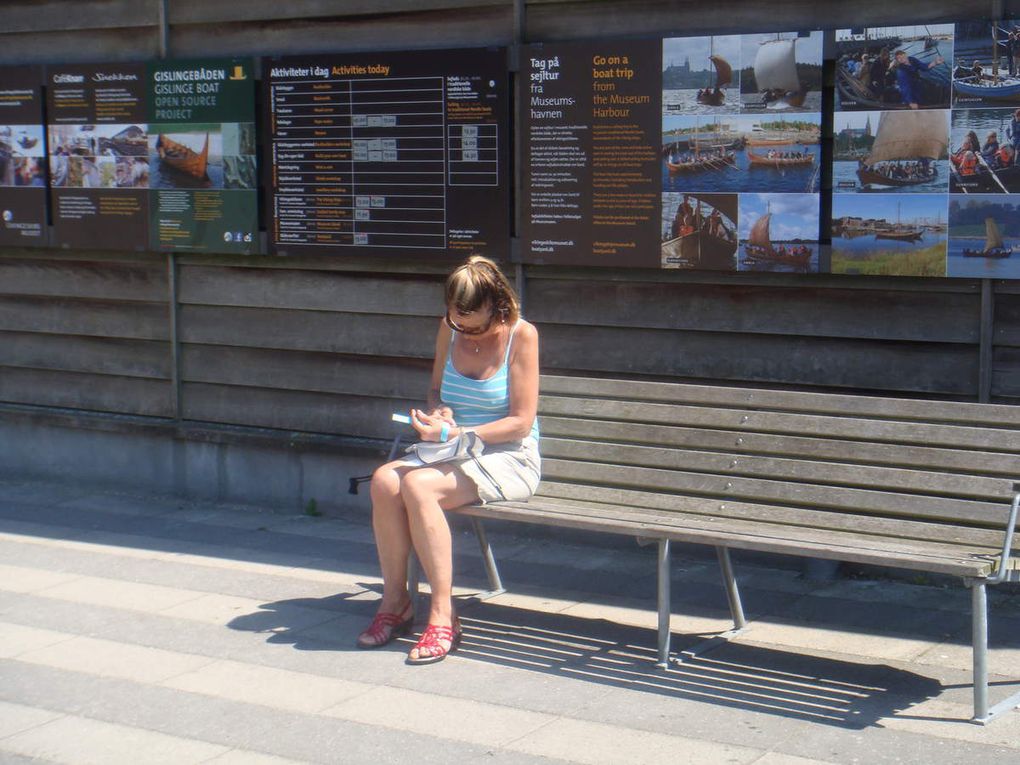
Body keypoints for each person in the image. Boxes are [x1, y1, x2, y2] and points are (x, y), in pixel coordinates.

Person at [357, 255, 541, 664]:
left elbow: (521, 424)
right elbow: (437, 391)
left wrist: (461, 433)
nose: (464, 329)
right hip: (452, 449)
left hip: (507, 454)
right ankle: (396, 601)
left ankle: (441, 614)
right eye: (458, 320)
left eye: (472, 322)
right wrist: (440, 413)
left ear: (497, 303)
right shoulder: (450, 327)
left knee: (418, 485)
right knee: (385, 480)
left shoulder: (522, 335)